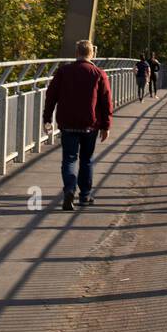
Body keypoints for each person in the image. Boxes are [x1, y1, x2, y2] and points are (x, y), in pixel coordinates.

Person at [43, 40, 112, 211]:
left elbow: (51, 96)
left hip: (67, 124)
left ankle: (69, 190)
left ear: (76, 53)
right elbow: (106, 102)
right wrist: (106, 126)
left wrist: (47, 119)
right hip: (90, 124)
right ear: (92, 54)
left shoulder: (63, 72)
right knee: (87, 159)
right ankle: (85, 195)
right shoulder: (98, 73)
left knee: (69, 158)